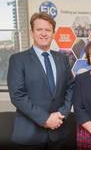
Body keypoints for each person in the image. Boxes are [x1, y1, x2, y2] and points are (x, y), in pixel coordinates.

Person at [7, 12, 74, 149]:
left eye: (48, 30)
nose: (44, 33)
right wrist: (45, 119)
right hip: (29, 135)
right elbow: (17, 95)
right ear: (32, 32)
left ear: (53, 33)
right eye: (39, 29)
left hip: (59, 133)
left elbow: (71, 87)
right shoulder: (18, 60)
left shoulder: (62, 59)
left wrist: (62, 112)